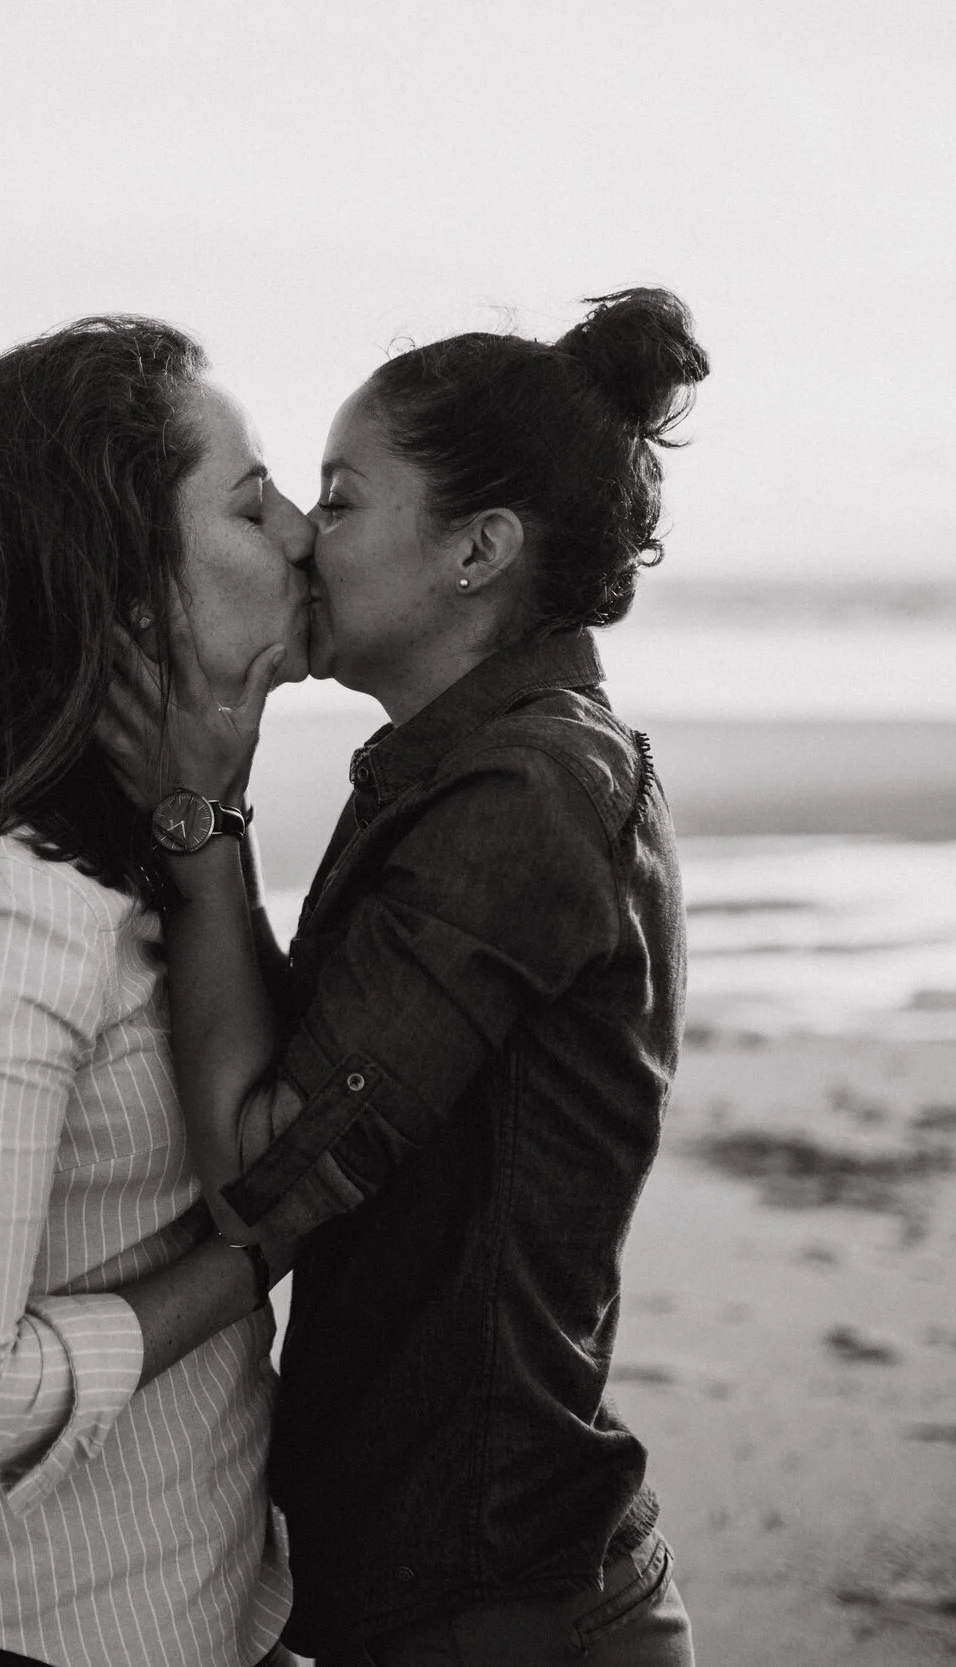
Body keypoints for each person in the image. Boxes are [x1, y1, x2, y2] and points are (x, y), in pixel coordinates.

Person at [96, 289, 710, 1665]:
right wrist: (218, 816)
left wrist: (198, 827)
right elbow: (304, 1081)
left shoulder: (529, 797)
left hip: (501, 1613)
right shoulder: (476, 768)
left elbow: (263, 1162)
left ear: (478, 550)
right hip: (454, 1589)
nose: (307, 535)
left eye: (343, 496)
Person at [0, 315, 315, 1667]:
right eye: (254, 501)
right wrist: (248, 1257)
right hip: (13, 1637)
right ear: (125, 587)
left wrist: (209, 818)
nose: (305, 531)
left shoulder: (140, 858)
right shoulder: (1, 918)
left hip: (168, 1610)